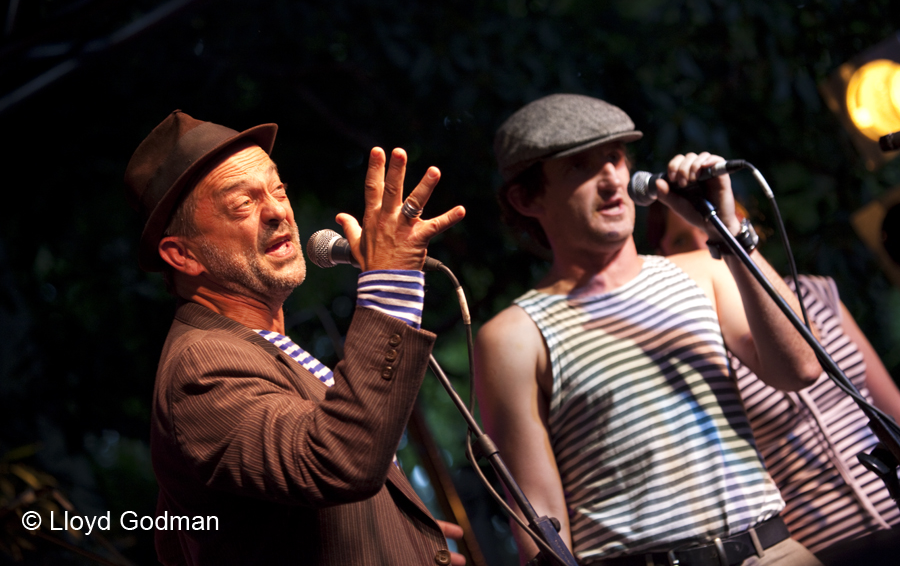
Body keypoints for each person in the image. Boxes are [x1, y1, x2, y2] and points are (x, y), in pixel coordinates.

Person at [474, 93, 824, 566]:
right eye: (580, 166)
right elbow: (541, 524)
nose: (613, 179)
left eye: (616, 158)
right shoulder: (514, 335)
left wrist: (728, 232)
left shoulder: (704, 270)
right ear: (527, 198)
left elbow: (801, 368)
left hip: (771, 551)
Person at [123, 110, 467, 565]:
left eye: (277, 189)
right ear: (182, 255)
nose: (276, 211)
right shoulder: (201, 366)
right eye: (242, 203)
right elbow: (337, 458)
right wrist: (388, 283)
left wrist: (401, 537)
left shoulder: (259, 344)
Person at [650, 202, 900, 560]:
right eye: (681, 240)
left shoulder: (813, 293)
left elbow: (890, 408)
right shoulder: (702, 346)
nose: (703, 245)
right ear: (665, 259)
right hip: (824, 547)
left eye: (710, 228)